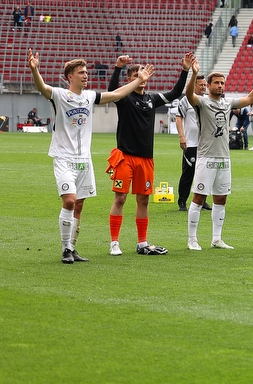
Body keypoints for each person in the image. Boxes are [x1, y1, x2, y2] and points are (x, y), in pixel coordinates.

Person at [28, 50, 149, 264]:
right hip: (63, 158)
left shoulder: (90, 96)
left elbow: (117, 95)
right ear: (70, 77)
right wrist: (35, 70)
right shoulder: (59, 95)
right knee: (70, 201)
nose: (86, 75)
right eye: (81, 72)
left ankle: (72, 247)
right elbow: (42, 87)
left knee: (80, 205)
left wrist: (139, 80)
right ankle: (66, 249)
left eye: (86, 72)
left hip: (84, 160)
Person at [106, 53, 192, 256]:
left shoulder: (152, 99)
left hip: (146, 159)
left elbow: (176, 92)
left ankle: (142, 242)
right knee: (120, 198)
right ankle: (114, 242)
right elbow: (111, 91)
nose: (142, 77)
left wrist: (185, 70)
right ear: (129, 79)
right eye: (136, 75)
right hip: (125, 157)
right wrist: (118, 68)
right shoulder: (124, 98)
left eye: (143, 74)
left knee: (143, 200)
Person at [184, 59, 253, 250]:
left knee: (221, 199)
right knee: (199, 198)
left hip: (224, 158)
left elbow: (249, 99)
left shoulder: (227, 103)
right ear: (208, 86)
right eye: (216, 83)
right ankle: (192, 239)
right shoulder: (202, 102)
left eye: (222, 83)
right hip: (206, 158)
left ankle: (216, 239)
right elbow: (189, 95)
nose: (220, 85)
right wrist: (193, 74)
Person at [176, 74, 211, 213]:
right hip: (191, 143)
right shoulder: (186, 100)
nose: (203, 87)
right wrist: (182, 137)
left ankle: (202, 201)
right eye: (200, 84)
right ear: (194, 85)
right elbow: (179, 118)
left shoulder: (208, 100)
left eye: (204, 85)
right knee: (188, 173)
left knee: (204, 174)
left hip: (206, 145)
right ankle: (182, 201)